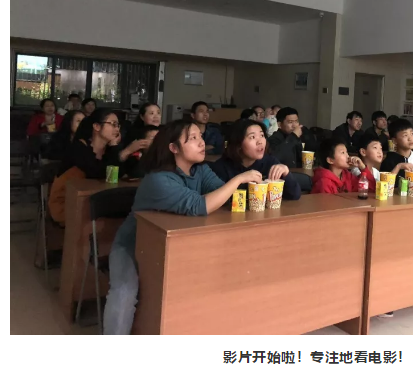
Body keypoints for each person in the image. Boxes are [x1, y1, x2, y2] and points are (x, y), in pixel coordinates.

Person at [102, 120, 262, 335]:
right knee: (124, 291)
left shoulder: (201, 170)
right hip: (134, 244)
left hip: (178, 245)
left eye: (200, 137)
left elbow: (223, 195)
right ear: (174, 148)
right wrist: (239, 179)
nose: (201, 142)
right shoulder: (158, 179)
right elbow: (200, 206)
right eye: (193, 138)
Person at [47, 109, 149, 225]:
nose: (117, 129)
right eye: (113, 124)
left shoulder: (109, 149)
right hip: (67, 203)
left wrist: (121, 151)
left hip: (93, 200)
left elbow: (118, 174)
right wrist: (125, 151)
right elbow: (97, 173)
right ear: (96, 126)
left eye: (118, 125)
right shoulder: (79, 146)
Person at [210, 120, 301, 202]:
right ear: (238, 143)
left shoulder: (270, 162)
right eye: (252, 137)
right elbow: (216, 201)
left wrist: (286, 173)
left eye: (262, 135)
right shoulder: (221, 167)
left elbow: (294, 195)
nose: (260, 141)